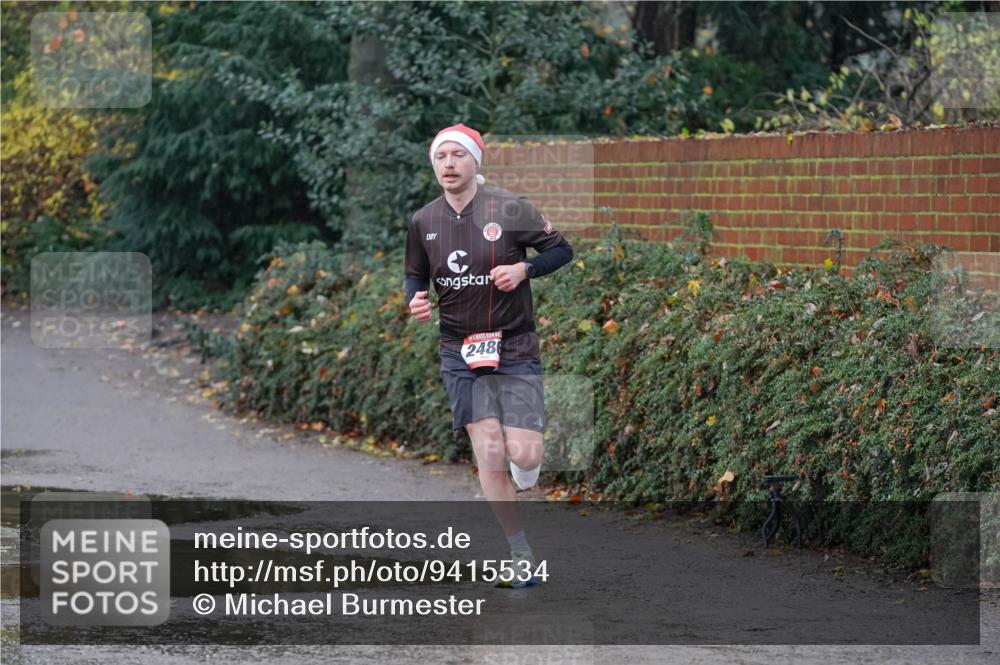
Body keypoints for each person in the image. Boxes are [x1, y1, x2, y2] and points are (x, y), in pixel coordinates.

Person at [404, 124, 573, 587]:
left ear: (476, 161)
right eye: (441, 157)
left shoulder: (509, 207)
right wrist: (416, 299)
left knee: (524, 454)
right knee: (490, 452)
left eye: (459, 155)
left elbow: (562, 250)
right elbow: (415, 276)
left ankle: (528, 463)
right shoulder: (424, 220)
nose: (449, 165)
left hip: (514, 342)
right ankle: (519, 553)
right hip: (459, 348)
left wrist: (524, 268)